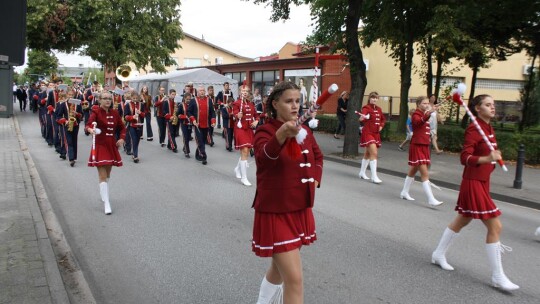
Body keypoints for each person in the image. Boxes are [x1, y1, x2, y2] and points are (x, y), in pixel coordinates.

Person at [431, 94, 519, 291]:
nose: (492, 107)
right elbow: (465, 157)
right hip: (473, 182)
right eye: (488, 105)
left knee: (462, 219)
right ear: (477, 108)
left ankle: (438, 254)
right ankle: (498, 276)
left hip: (483, 181)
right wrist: (488, 158)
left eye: (493, 104)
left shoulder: (487, 127)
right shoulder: (474, 127)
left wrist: (493, 158)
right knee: (495, 226)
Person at [252, 81, 323, 304]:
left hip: (300, 208)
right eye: (288, 101)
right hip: (276, 211)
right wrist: (282, 134)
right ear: (275, 104)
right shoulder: (265, 131)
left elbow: (318, 156)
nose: (295, 106)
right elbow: (263, 159)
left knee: (278, 268)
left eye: (297, 101)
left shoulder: (304, 130)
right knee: (294, 279)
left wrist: (315, 181)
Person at [86, 91, 126, 215]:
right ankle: (107, 203)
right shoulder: (96, 112)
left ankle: (103, 191)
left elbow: (122, 128)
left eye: (110, 98)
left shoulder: (115, 113)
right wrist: (90, 130)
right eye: (105, 98)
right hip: (100, 144)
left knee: (107, 174)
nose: (108, 100)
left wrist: (121, 138)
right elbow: (88, 125)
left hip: (111, 145)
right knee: (102, 174)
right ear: (100, 100)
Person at [399, 96, 443, 206]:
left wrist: (432, 111)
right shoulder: (416, 115)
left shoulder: (424, 113)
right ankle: (431, 199)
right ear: (418, 104)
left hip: (424, 146)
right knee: (424, 172)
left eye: (427, 103)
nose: (426, 105)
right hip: (417, 145)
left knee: (413, 170)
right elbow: (419, 122)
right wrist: (429, 113)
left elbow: (427, 122)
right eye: (424, 103)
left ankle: (404, 192)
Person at [233, 83, 259, 186]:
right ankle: (244, 178)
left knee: (247, 151)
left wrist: (256, 121)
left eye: (246, 91)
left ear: (248, 93)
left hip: (249, 129)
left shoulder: (251, 103)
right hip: (240, 129)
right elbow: (234, 113)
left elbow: (257, 115)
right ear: (240, 92)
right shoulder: (236, 103)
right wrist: (237, 115)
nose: (244, 93)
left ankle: (237, 169)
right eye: (243, 91)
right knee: (244, 150)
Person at [358, 91, 386, 184]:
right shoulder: (366, 108)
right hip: (368, 132)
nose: (374, 99)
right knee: (374, 152)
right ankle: (374, 176)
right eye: (373, 97)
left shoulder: (379, 109)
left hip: (376, 133)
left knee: (367, 153)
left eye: (376, 98)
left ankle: (362, 172)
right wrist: (363, 117)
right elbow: (362, 117)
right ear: (369, 98)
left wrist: (381, 126)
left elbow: (383, 119)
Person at [188, 85, 216, 165]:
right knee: (200, 141)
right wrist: (193, 120)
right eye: (200, 90)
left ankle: (198, 154)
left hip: (207, 125)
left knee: (203, 141)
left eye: (203, 90)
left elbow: (212, 112)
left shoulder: (209, 100)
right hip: (197, 125)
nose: (202, 92)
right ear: (197, 92)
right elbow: (189, 111)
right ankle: (204, 157)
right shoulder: (193, 100)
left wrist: (213, 121)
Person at [55, 88, 83, 166]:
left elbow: (81, 115)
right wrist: (65, 121)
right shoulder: (63, 104)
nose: (70, 96)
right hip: (67, 125)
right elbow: (58, 116)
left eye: (72, 95)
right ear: (67, 95)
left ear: (74, 95)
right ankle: (71, 159)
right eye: (69, 95)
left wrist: (76, 114)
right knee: (69, 141)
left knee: (74, 141)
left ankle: (74, 157)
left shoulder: (77, 104)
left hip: (75, 125)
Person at [124, 91, 145, 163]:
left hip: (140, 125)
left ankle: (134, 153)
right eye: (133, 98)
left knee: (137, 140)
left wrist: (140, 113)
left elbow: (145, 114)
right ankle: (136, 156)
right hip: (132, 125)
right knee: (134, 140)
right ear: (131, 98)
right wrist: (132, 117)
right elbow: (125, 117)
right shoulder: (127, 105)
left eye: (136, 98)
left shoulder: (141, 105)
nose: (135, 99)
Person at [177, 92, 193, 158]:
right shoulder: (181, 105)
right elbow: (178, 114)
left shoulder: (192, 105)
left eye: (190, 99)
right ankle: (187, 151)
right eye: (187, 99)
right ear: (184, 99)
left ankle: (184, 148)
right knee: (185, 137)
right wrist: (185, 116)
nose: (188, 101)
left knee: (188, 137)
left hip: (190, 124)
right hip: (183, 123)